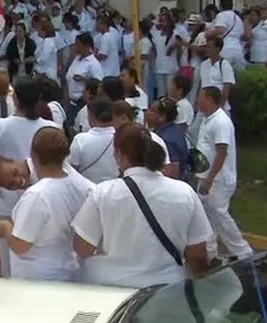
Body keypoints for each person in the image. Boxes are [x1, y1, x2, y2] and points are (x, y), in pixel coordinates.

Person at [72, 123, 212, 288]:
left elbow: (82, 247)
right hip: (165, 291)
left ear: (118, 155)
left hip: (109, 289)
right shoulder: (185, 193)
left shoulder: (103, 193)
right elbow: (197, 254)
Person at [0, 76, 60, 277]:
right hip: (44, 201)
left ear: (15, 99)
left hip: (5, 202)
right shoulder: (52, 129)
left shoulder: (0, 126)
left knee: (9, 264)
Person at [0, 127, 94, 282]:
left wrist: (6, 229)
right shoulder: (82, 187)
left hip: (38, 279)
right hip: (69, 271)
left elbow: (21, 245)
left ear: (33, 155)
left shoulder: (37, 195)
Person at [195, 86, 253, 261]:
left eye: (200, 98)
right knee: (207, 216)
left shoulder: (221, 121)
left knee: (220, 216)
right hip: (206, 177)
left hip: (218, 179)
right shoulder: (207, 119)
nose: (198, 101)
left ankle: (243, 252)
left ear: (210, 100)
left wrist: (210, 179)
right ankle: (210, 251)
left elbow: (222, 152)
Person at [68, 97, 118, 184]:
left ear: (91, 116)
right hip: (115, 189)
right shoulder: (122, 137)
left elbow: (71, 170)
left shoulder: (80, 140)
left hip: (87, 191)